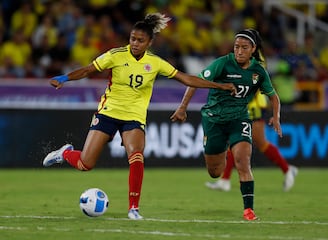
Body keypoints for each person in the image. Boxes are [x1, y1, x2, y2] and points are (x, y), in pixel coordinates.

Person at [42, 13, 236, 220]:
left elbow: (186, 78)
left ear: (149, 42)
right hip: (108, 112)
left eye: (140, 40)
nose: (135, 43)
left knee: (136, 156)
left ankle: (133, 208)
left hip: (134, 116)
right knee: (85, 164)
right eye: (132, 39)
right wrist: (64, 78)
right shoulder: (116, 55)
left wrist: (219, 85)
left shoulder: (155, 62)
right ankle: (65, 153)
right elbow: (89, 69)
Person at [170, 28, 282, 221]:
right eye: (236, 46)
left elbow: (274, 96)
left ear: (253, 49)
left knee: (243, 162)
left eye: (244, 47)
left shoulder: (258, 71)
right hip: (214, 119)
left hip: (239, 119)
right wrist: (182, 108)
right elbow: (195, 81)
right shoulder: (223, 63)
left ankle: (249, 210)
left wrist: (276, 117)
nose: (239, 51)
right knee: (215, 172)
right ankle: (220, 157)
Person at [205, 91, 298, 193]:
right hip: (245, 107)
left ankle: (287, 170)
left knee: (261, 143)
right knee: (234, 144)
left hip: (253, 108)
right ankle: (225, 180)